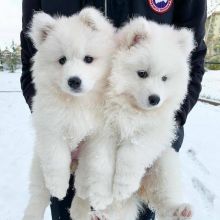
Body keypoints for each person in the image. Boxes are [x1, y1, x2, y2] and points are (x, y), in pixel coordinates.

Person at [20, 0, 207, 219]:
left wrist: (163, 122)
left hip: (146, 137)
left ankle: (168, 207)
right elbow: (33, 56)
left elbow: (191, 57)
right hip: (71, 139)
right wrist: (58, 122)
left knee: (147, 182)